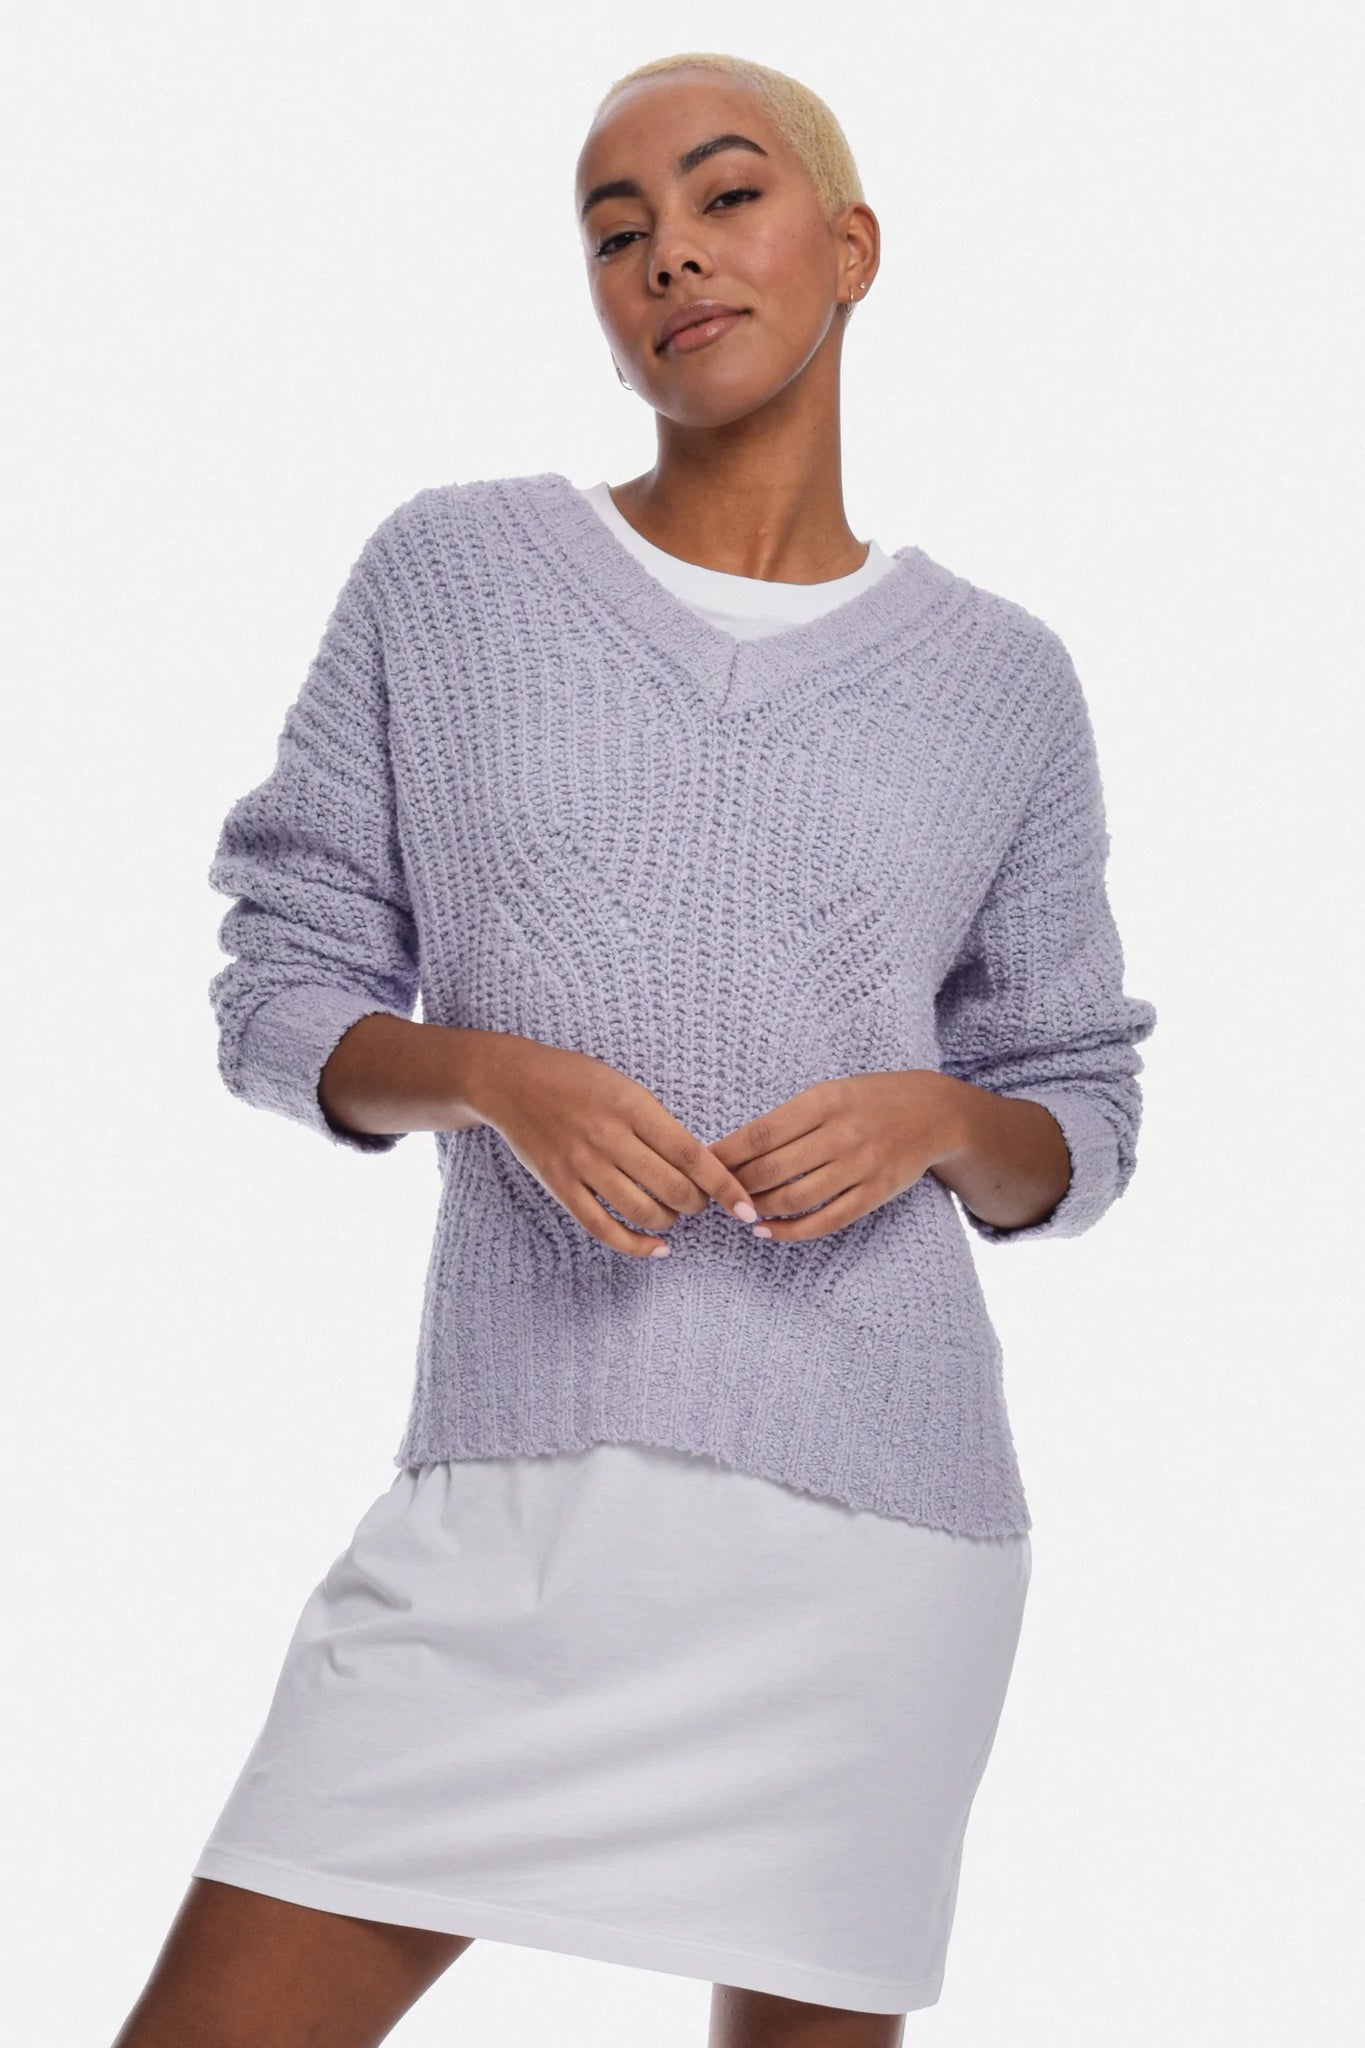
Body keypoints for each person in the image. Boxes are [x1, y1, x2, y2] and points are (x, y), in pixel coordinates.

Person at [112, 50, 1157, 2048]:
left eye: (722, 194)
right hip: (510, 1503)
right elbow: (280, 986)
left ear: (849, 247)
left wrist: (933, 1118)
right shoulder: (451, 576)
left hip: (871, 1540)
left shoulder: (1001, 682)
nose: (668, 250)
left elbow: (1077, 1112)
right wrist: (485, 1077)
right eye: (615, 232)